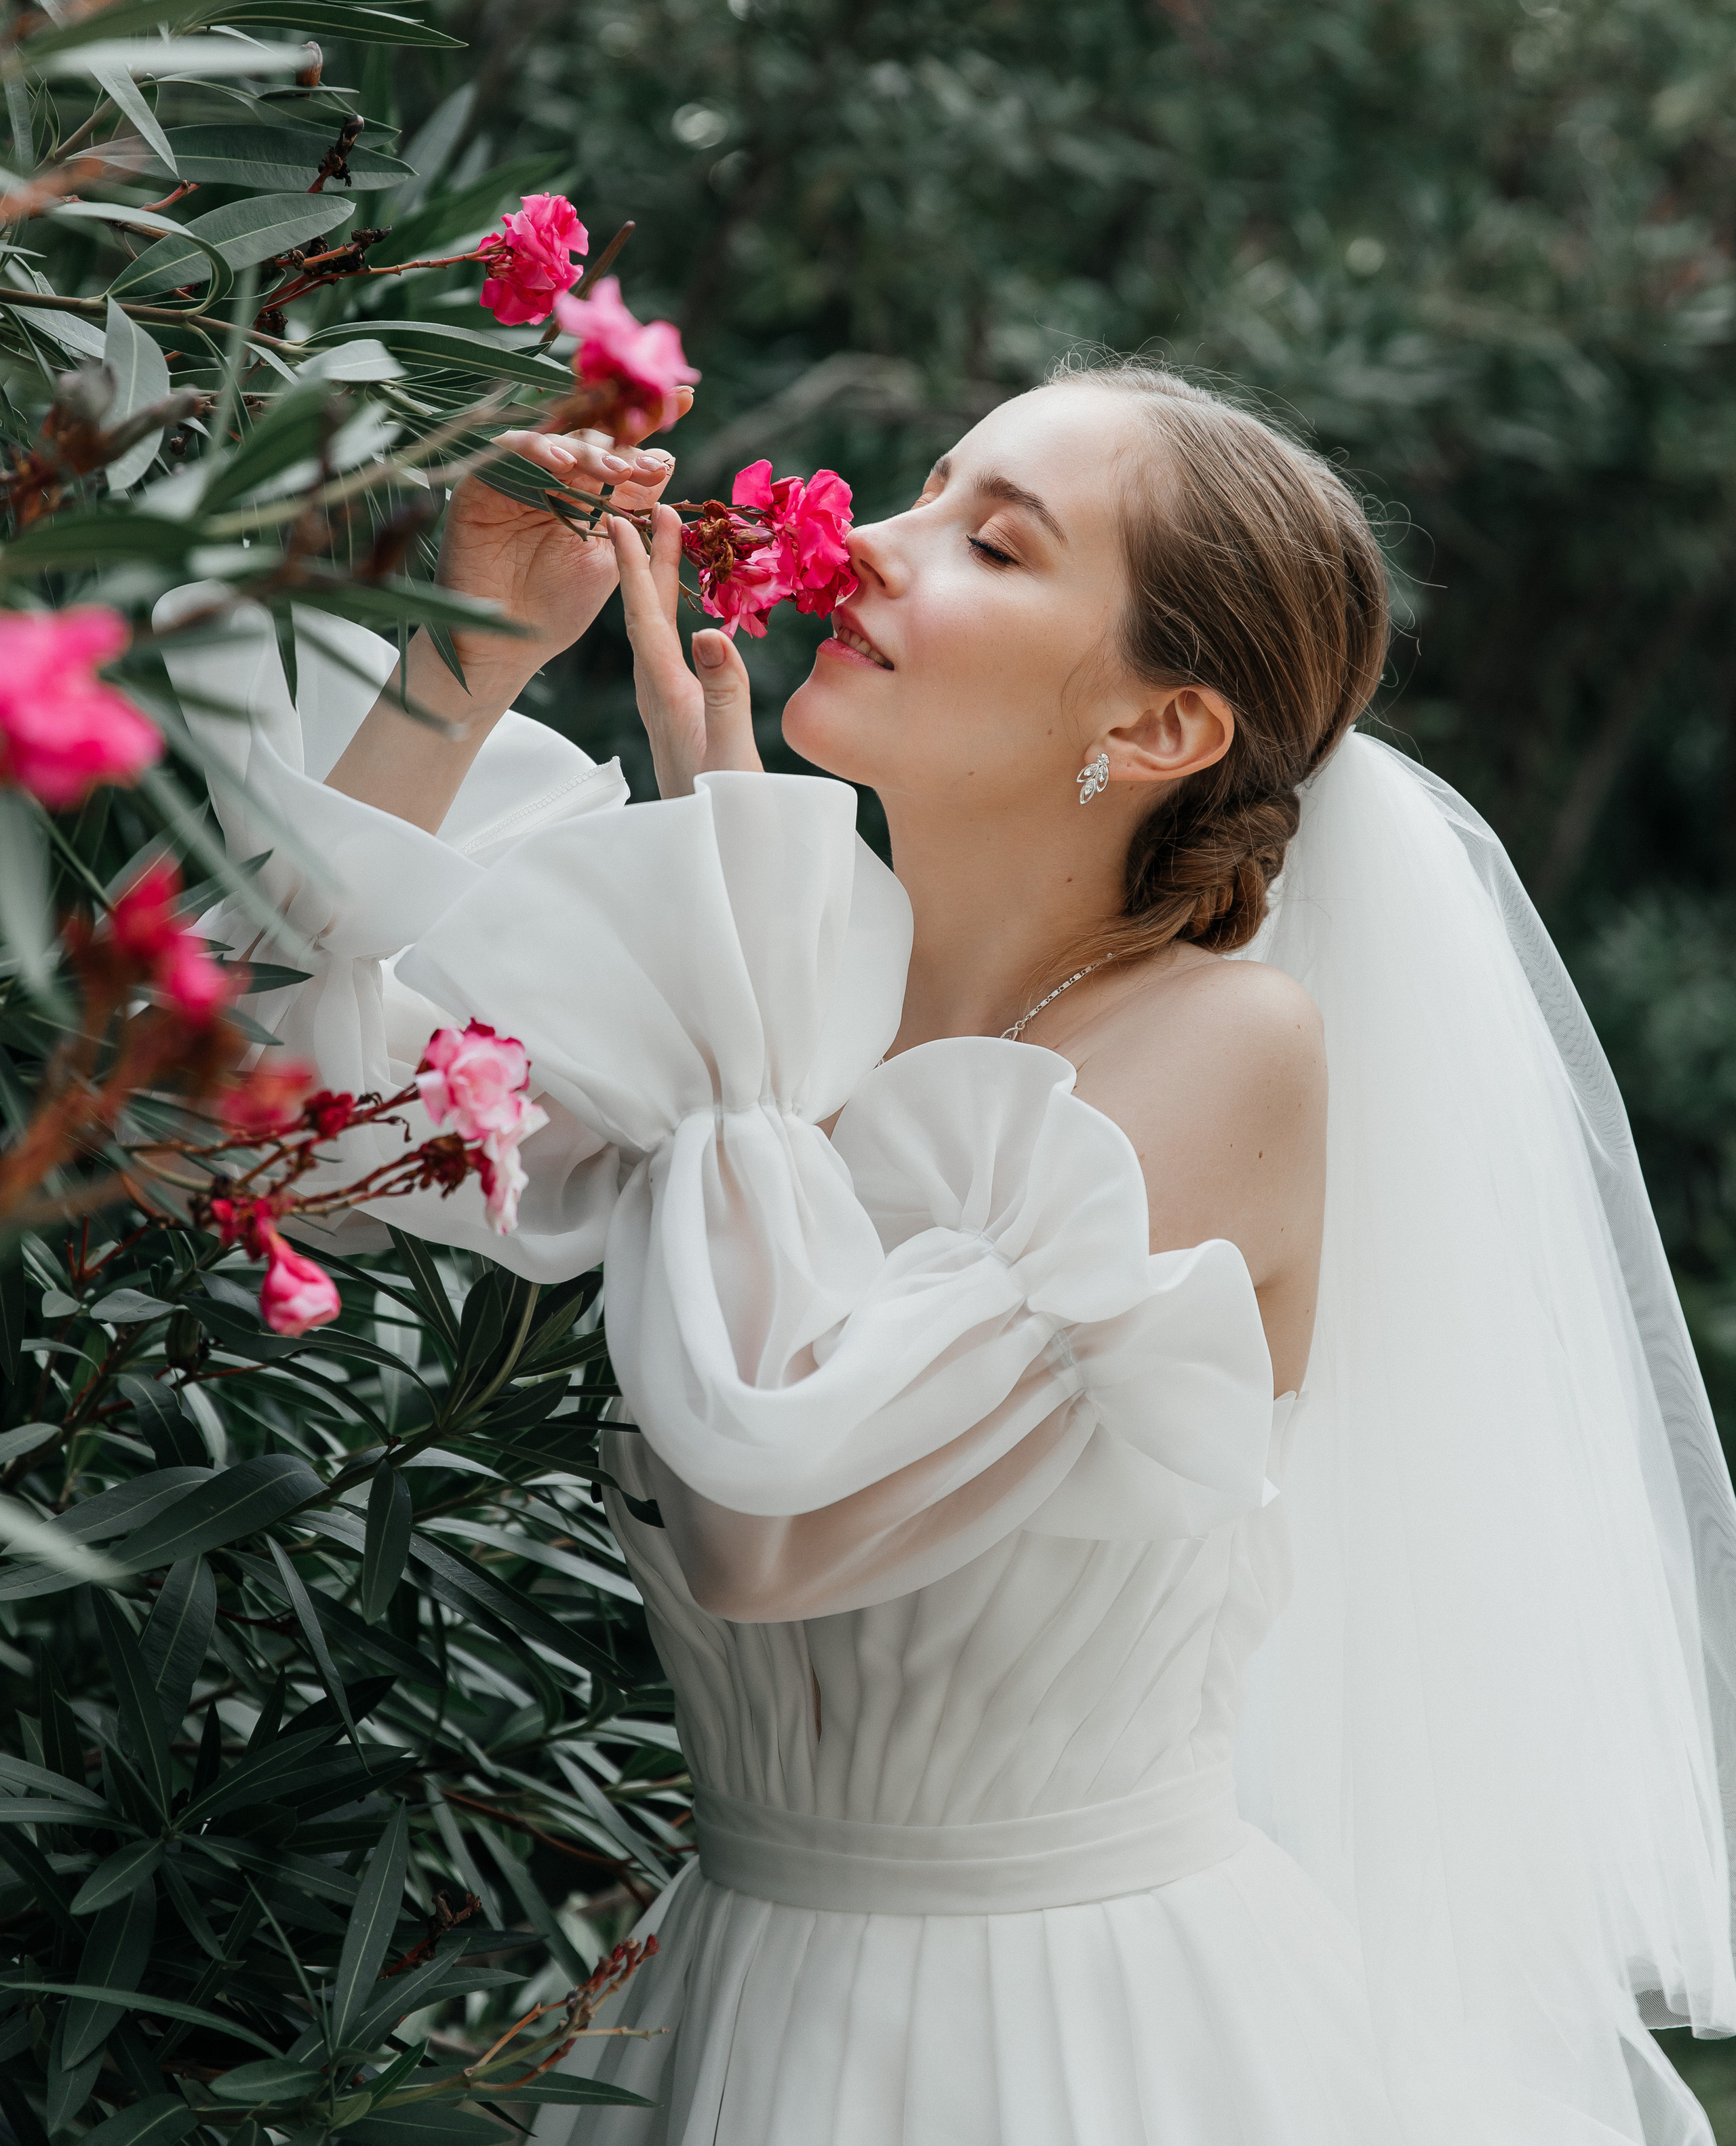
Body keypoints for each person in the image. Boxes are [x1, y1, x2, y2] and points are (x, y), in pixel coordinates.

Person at [159, 362, 1736, 2145]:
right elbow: (264, 1122)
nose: (875, 552)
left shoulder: (1229, 1048)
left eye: (992, 543)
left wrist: (722, 876)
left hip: (1072, 2039)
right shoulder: (771, 969)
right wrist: (466, 663)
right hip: (726, 1998)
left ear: (1158, 731)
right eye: (917, 494)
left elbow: (779, 1513)